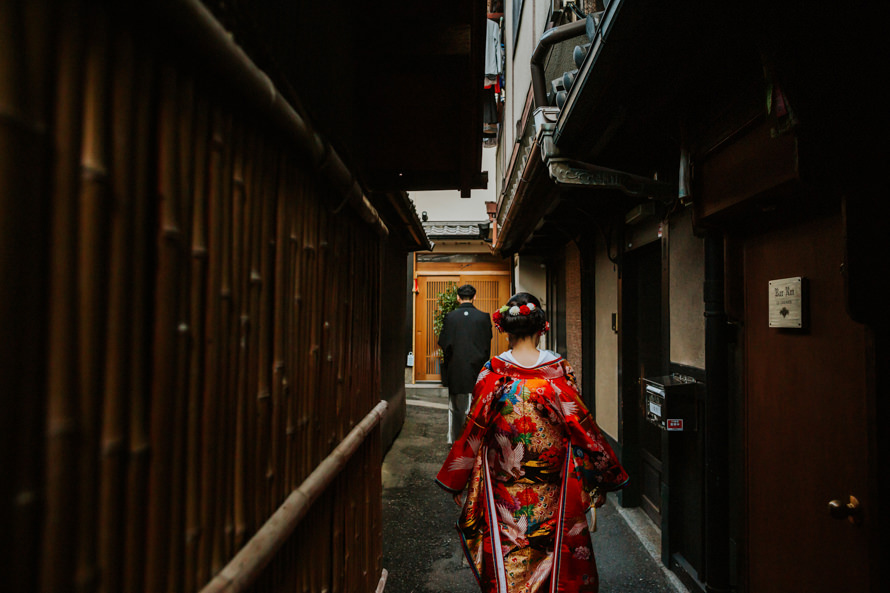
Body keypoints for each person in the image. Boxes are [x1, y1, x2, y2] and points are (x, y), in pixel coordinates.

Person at [436, 292, 629, 593]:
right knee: (554, 552)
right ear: (542, 328)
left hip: (504, 485)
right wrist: (599, 478)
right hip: (552, 484)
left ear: (505, 329)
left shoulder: (492, 374)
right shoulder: (558, 374)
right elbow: (582, 427)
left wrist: (460, 478)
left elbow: (474, 429)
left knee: (508, 550)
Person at [438, 284, 493, 443]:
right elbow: (486, 341)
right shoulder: (483, 317)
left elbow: (444, 342)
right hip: (478, 366)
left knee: (456, 406)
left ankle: (456, 439)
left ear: (458, 297)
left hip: (457, 366)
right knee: (477, 405)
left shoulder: (450, 317)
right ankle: (476, 439)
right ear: (474, 297)